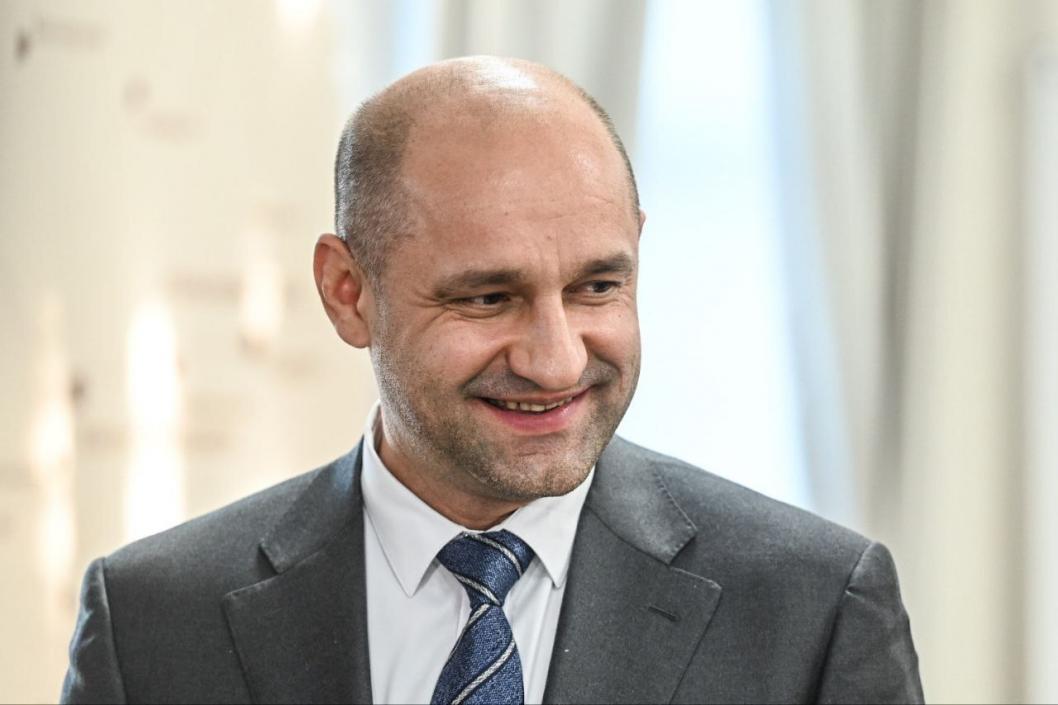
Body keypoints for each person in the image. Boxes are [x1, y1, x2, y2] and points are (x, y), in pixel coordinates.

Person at [61, 56, 923, 704]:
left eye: (597, 286)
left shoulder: (814, 611)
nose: (556, 360)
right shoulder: (153, 624)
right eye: (487, 297)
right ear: (348, 292)